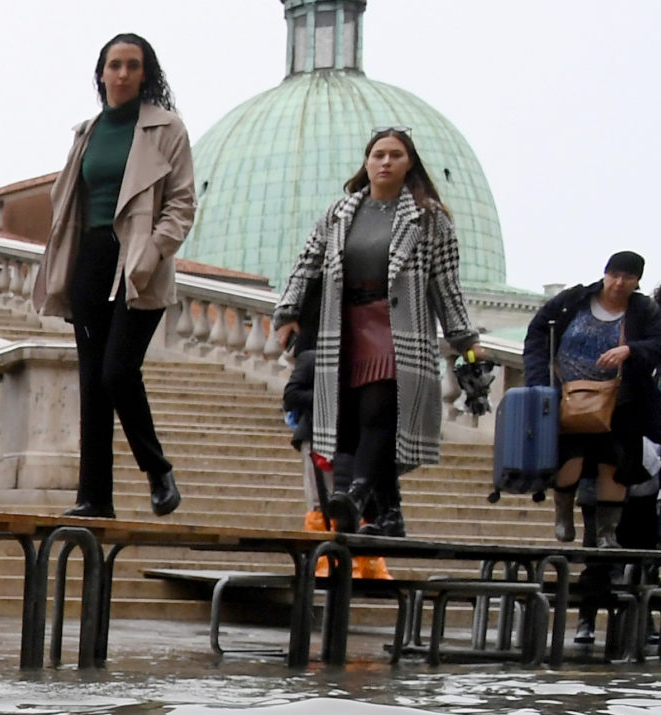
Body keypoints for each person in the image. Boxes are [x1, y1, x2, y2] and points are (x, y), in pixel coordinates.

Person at [274, 127, 481, 536]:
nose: (385, 162)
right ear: (366, 162)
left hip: (397, 326)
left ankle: (354, 496)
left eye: (396, 155)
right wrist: (288, 312)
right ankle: (390, 515)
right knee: (351, 420)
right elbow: (307, 263)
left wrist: (466, 342)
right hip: (347, 325)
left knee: (379, 409)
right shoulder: (339, 213)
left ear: (410, 165)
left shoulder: (428, 218)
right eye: (378, 155)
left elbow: (445, 283)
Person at [35, 33, 195, 521]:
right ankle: (94, 497)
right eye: (114, 65)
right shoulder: (87, 131)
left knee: (118, 371)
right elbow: (69, 202)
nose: (122, 74)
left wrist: (152, 253)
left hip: (139, 263)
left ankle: (157, 468)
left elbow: (182, 204)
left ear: (146, 73)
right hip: (90, 258)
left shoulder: (167, 129)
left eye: (133, 65)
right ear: (101, 73)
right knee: (92, 383)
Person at [524, 251, 658, 550]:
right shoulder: (575, 300)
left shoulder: (643, 310)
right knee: (570, 457)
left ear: (637, 282)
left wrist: (630, 350)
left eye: (628, 278)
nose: (619, 283)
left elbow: (657, 343)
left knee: (617, 463)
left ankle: (607, 532)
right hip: (571, 397)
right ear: (605, 274)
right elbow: (538, 332)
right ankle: (563, 513)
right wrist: (539, 381)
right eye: (615, 276)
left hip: (621, 403)